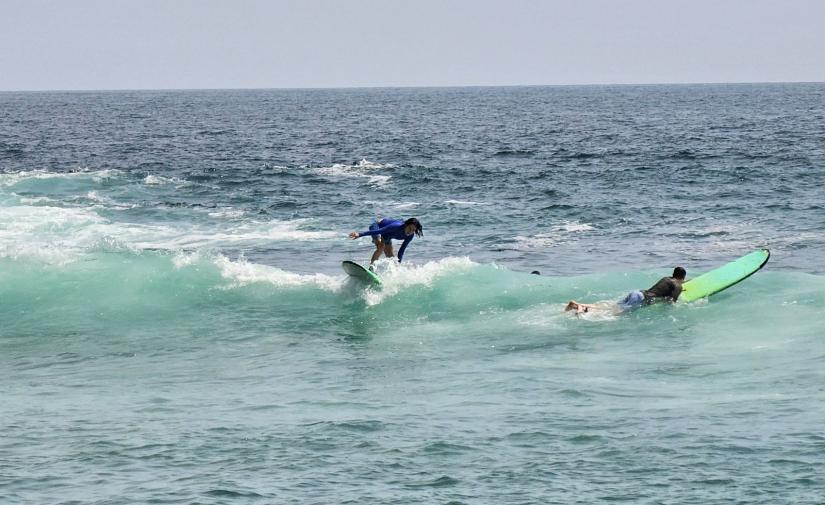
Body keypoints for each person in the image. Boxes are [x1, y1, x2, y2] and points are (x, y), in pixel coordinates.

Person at [565, 267, 687, 314]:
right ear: (682, 277)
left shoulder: (666, 278)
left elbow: (665, 289)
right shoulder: (677, 285)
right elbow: (671, 302)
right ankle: (581, 309)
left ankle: (578, 305)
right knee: (613, 314)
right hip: (640, 299)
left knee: (611, 307)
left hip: (637, 293)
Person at [349, 217, 423, 265]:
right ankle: (371, 268)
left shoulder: (410, 236)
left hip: (387, 235)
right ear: (406, 225)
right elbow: (378, 231)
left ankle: (394, 274)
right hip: (377, 227)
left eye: (413, 230)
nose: (410, 232)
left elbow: (402, 250)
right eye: (410, 228)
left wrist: (398, 264)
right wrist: (360, 234)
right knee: (381, 247)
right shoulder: (397, 226)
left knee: (391, 257)